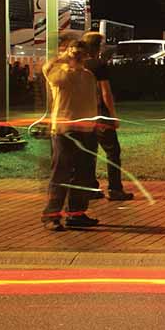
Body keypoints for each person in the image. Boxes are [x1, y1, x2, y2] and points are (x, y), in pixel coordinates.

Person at [41, 40, 102, 231]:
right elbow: (46, 68)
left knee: (84, 175)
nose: (78, 57)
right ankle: (51, 216)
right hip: (64, 131)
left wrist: (96, 124)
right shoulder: (60, 74)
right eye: (75, 53)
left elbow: (93, 100)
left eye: (81, 54)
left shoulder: (88, 76)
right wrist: (64, 56)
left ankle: (76, 213)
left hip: (87, 130)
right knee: (61, 174)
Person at [81, 31, 132, 201]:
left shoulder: (80, 64)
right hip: (101, 114)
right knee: (112, 151)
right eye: (102, 44)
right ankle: (115, 189)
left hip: (85, 114)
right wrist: (112, 115)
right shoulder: (99, 65)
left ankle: (89, 188)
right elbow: (106, 92)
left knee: (89, 151)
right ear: (97, 46)